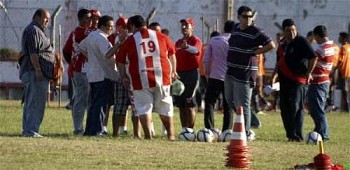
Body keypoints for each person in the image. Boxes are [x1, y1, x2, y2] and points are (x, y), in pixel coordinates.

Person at [116, 15, 178, 140]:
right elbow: (172, 54)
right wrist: (174, 71)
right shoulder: (162, 36)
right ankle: (171, 136)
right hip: (162, 75)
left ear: (133, 26)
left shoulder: (130, 40)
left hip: (140, 76)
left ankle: (148, 136)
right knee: (165, 106)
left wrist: (123, 76)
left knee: (144, 107)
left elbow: (120, 60)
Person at [225, 6, 275, 141]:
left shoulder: (256, 31)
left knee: (243, 105)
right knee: (230, 100)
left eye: (250, 16)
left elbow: (271, 45)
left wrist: (257, 52)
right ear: (238, 17)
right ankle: (253, 119)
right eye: (245, 16)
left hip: (245, 73)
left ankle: (245, 132)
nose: (248, 19)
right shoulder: (235, 28)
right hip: (230, 70)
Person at [273, 19, 317, 142]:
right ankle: (290, 134)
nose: (291, 32)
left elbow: (313, 57)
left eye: (293, 29)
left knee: (296, 107)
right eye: (288, 30)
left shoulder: (301, 41)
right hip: (284, 81)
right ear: (283, 31)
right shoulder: (282, 44)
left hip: (298, 81)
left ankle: (297, 135)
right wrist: (274, 77)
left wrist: (309, 73)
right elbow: (279, 62)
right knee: (284, 108)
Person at [78, 15, 118, 136]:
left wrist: (92, 57)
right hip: (103, 74)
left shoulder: (91, 36)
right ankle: (97, 130)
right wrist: (118, 44)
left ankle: (90, 130)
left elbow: (81, 47)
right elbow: (108, 54)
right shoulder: (101, 38)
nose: (112, 29)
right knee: (101, 104)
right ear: (102, 26)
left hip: (93, 74)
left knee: (94, 104)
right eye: (110, 26)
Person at [20, 8, 55, 137]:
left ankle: (29, 130)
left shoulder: (39, 31)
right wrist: (38, 70)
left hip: (37, 73)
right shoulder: (33, 30)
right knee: (35, 103)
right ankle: (31, 131)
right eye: (45, 18)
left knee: (33, 102)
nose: (47, 21)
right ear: (37, 16)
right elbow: (33, 53)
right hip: (34, 72)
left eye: (49, 19)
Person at [105, 16, 141, 137]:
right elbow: (117, 56)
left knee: (132, 106)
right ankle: (120, 133)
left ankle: (134, 133)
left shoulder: (129, 38)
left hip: (129, 75)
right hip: (127, 75)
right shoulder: (121, 38)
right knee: (124, 106)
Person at [63, 8, 92, 135]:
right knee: (81, 99)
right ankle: (78, 128)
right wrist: (74, 63)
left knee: (86, 99)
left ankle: (84, 127)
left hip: (85, 69)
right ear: (80, 19)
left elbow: (66, 50)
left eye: (91, 18)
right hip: (80, 70)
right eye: (87, 18)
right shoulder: (81, 32)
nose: (90, 21)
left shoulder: (77, 32)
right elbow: (66, 51)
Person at [203, 21, 234, 132]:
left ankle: (209, 129)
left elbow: (206, 60)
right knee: (228, 106)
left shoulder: (214, 40)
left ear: (223, 28)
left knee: (209, 103)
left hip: (214, 77)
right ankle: (227, 131)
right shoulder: (234, 41)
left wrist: (207, 74)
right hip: (229, 78)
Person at [174, 18, 202, 129]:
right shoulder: (178, 42)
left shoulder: (196, 40)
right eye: (182, 25)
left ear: (192, 28)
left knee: (190, 104)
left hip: (191, 74)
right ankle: (184, 129)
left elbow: (196, 50)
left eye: (186, 25)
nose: (184, 27)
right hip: (179, 75)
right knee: (181, 105)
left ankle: (190, 130)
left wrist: (187, 47)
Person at [308, 25, 334, 141]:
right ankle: (319, 130)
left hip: (319, 81)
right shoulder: (331, 46)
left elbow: (310, 58)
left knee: (317, 109)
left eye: (315, 37)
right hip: (323, 80)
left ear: (317, 36)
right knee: (316, 108)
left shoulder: (322, 48)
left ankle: (324, 134)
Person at [336, 32, 350, 113]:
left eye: (340, 37)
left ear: (344, 38)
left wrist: (334, 69)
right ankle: (345, 107)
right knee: (346, 90)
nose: (339, 38)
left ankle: (346, 108)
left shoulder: (343, 48)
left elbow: (340, 61)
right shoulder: (349, 47)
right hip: (349, 72)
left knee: (344, 90)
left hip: (344, 72)